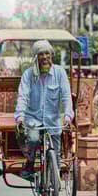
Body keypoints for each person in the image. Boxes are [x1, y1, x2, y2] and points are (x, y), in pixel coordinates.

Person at [14, 40, 74, 178]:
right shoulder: (28, 75)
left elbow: (66, 96)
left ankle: (55, 178)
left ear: (52, 56)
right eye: (41, 54)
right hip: (33, 119)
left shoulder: (60, 73)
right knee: (34, 139)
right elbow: (23, 96)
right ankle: (29, 164)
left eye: (47, 54)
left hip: (53, 120)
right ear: (36, 58)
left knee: (57, 150)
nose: (45, 57)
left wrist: (68, 116)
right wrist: (20, 117)